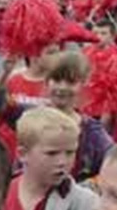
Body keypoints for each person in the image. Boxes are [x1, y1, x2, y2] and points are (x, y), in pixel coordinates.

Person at [45, 51, 112, 182]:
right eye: (57, 80)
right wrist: (6, 72)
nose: (62, 87)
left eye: (71, 82)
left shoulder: (92, 132)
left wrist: (88, 187)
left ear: (83, 84)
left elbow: (115, 163)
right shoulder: (30, 116)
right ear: (47, 81)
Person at [0, 41, 60, 160]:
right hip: (7, 149)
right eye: (51, 53)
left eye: (58, 52)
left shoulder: (57, 84)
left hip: (37, 152)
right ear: (33, 55)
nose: (57, 57)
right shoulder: (13, 78)